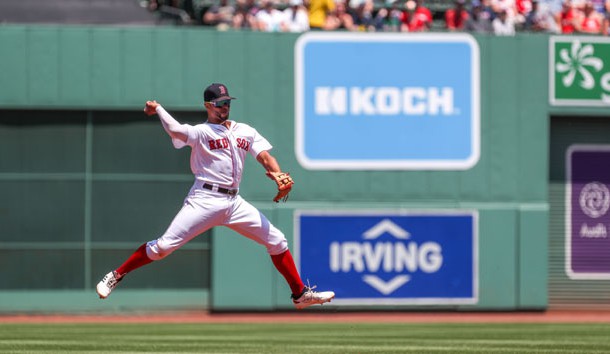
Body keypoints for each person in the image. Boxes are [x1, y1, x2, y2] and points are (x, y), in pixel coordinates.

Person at [96, 83, 335, 310]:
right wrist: (158, 109)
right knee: (162, 248)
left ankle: (300, 294)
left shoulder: (245, 130)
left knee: (277, 241)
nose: (225, 107)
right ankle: (116, 275)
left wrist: (277, 173)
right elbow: (176, 130)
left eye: (227, 102)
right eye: (220, 103)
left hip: (234, 202)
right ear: (208, 105)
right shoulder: (201, 132)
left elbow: (263, 156)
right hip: (204, 199)